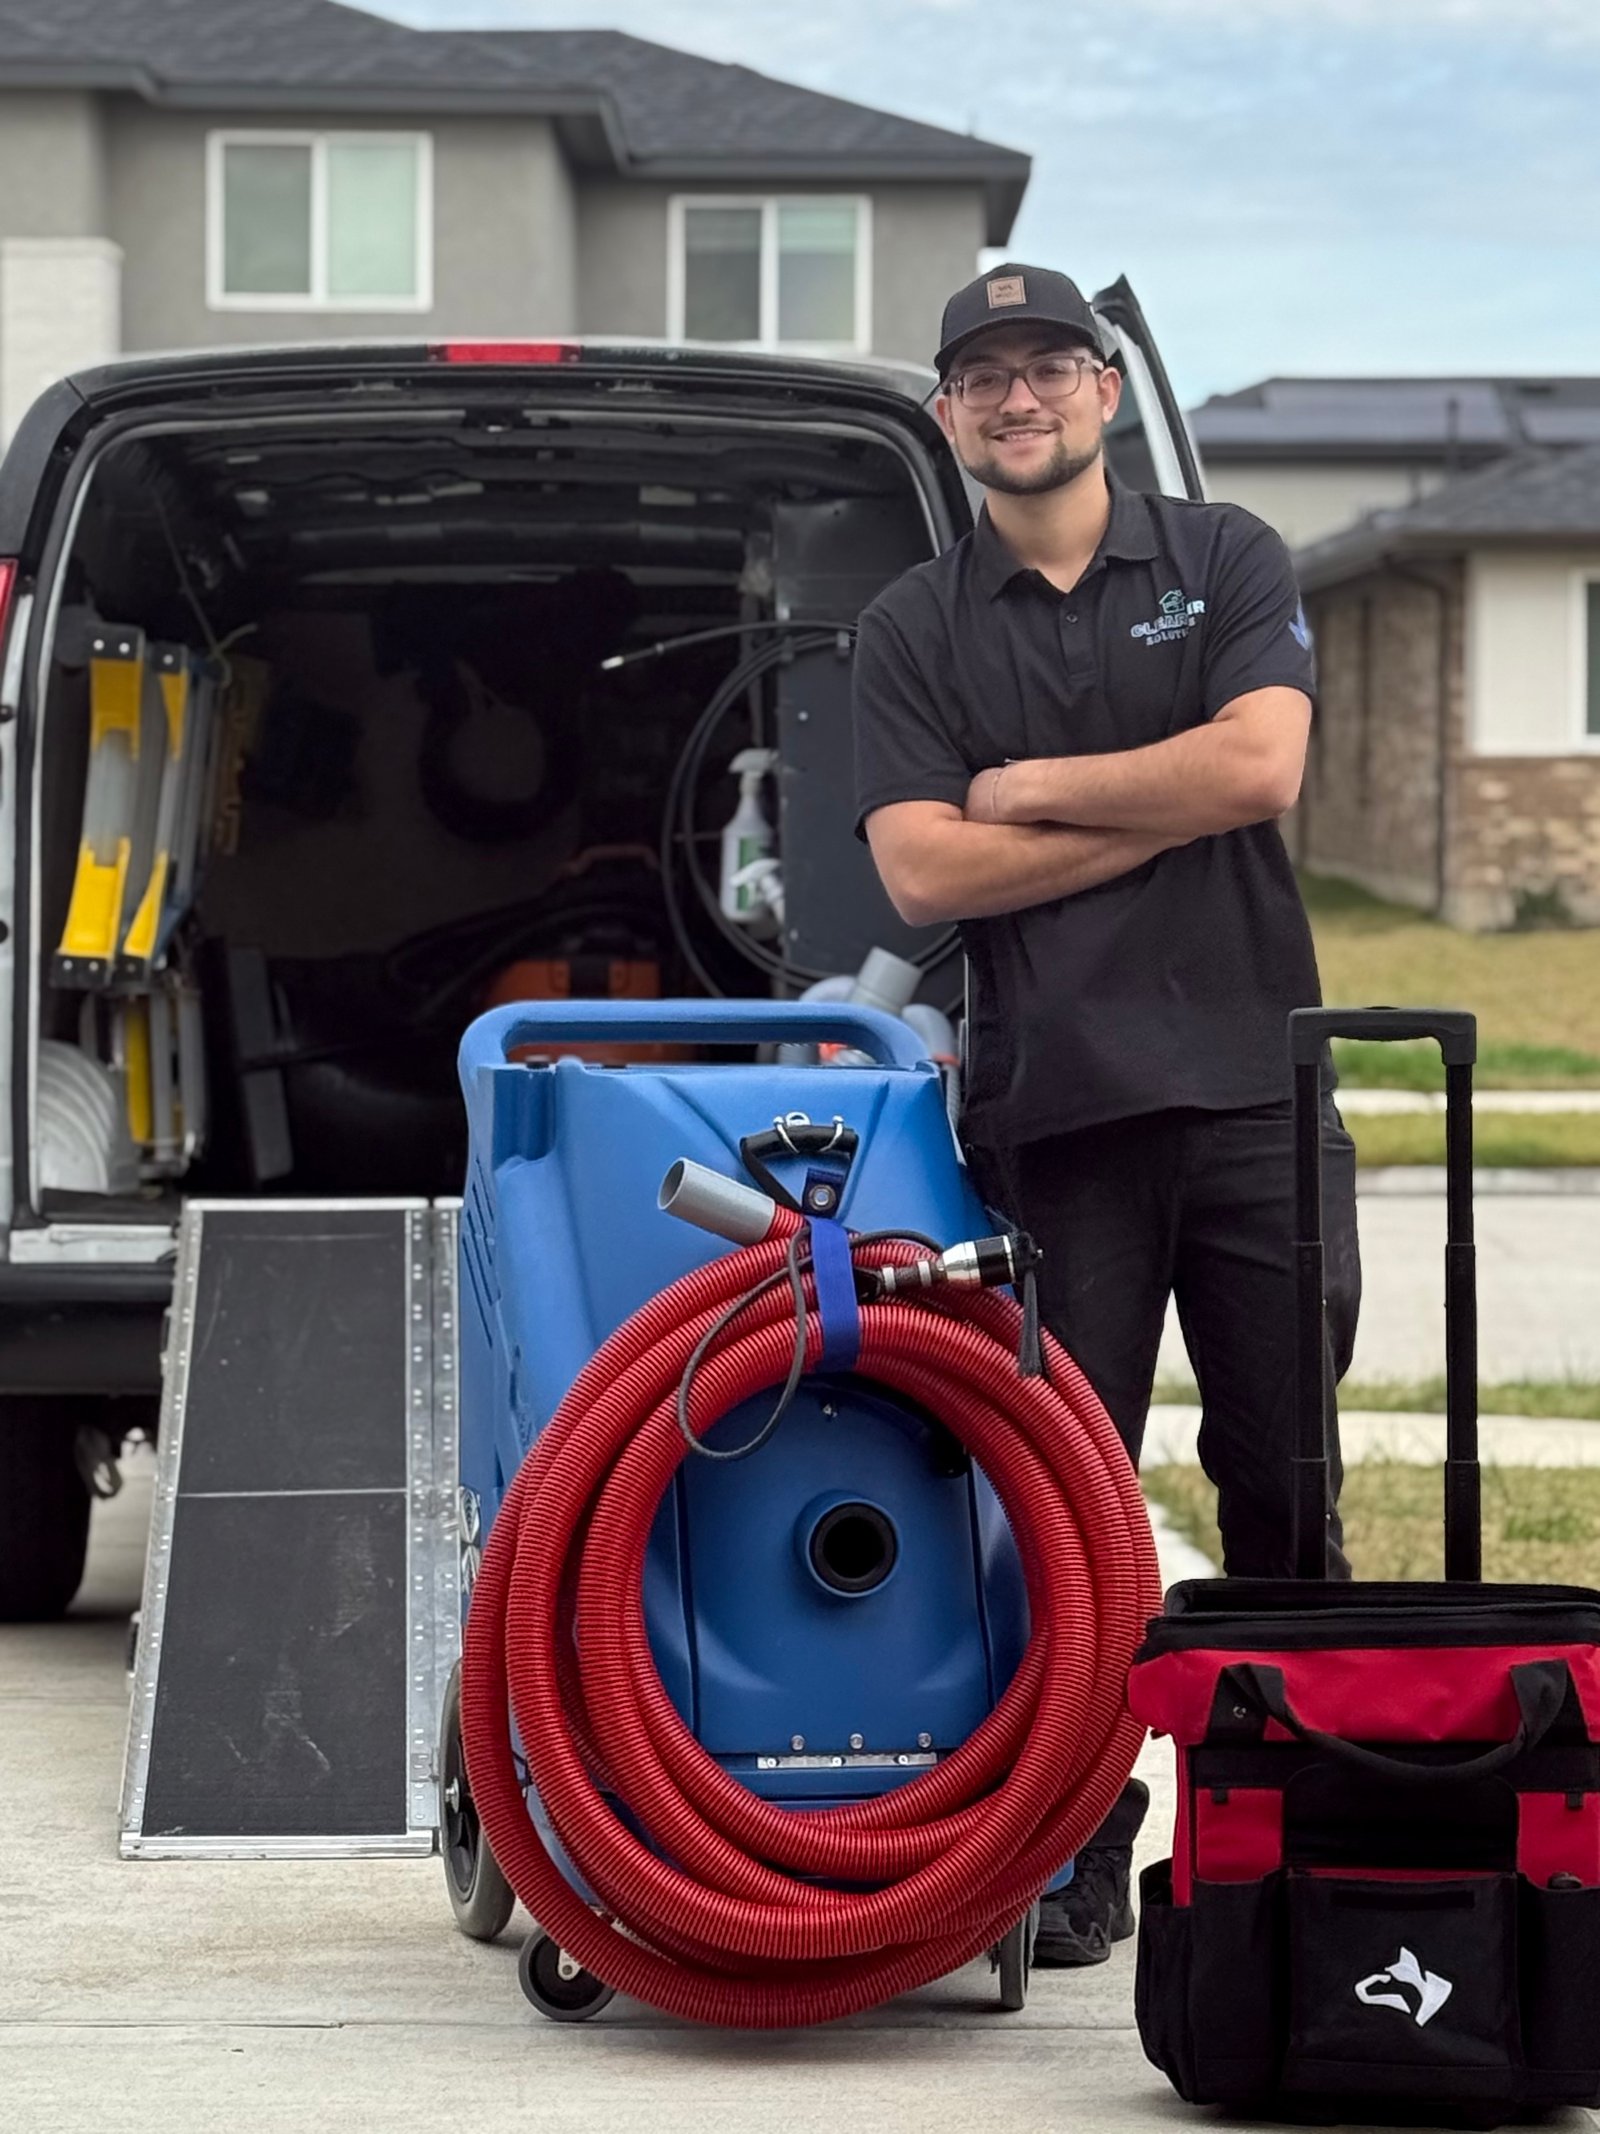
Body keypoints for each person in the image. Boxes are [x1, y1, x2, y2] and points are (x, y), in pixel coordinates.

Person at [851, 263, 1361, 1966]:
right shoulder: (913, 623)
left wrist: (1044, 793)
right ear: (948, 416)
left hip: (1256, 1101)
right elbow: (923, 864)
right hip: (1053, 1119)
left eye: (1048, 366)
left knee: (1283, 1479)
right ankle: (1075, 1839)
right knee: (1066, 1512)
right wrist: (1167, 792)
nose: (1019, 397)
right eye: (982, 377)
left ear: (1104, 391)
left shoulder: (1225, 558)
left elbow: (1262, 770)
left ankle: (1295, 1825)